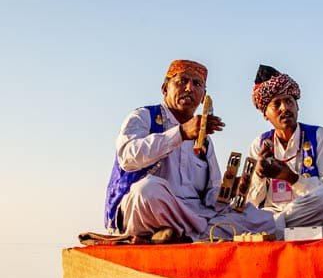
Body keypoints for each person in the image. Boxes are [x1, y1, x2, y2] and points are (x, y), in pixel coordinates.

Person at [105, 60, 277, 240]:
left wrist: (234, 186)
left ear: (203, 97)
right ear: (165, 89)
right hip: (151, 210)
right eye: (182, 81)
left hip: (194, 214)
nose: (189, 88)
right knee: (146, 191)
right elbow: (127, 157)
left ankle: (180, 236)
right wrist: (181, 133)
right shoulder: (144, 117)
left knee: (263, 220)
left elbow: (211, 195)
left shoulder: (204, 141)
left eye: (197, 84)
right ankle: (195, 235)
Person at [243, 65, 323, 233]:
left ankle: (274, 227)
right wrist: (258, 175)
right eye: (276, 104)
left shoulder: (319, 136)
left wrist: (293, 179)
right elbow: (251, 200)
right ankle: (277, 226)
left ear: (297, 106)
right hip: (272, 212)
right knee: (237, 209)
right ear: (265, 114)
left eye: (289, 101)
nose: (285, 108)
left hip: (309, 212)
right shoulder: (259, 144)